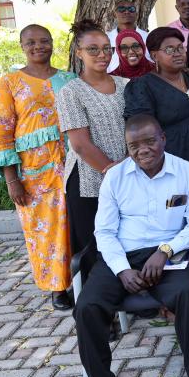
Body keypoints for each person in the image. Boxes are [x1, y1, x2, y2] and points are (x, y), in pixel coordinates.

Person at [74, 114, 189, 377]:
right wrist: (122, 269)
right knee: (87, 307)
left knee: (185, 295)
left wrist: (165, 250)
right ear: (127, 147)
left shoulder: (187, 171)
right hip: (121, 255)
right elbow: (104, 232)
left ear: (163, 138)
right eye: (134, 145)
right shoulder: (115, 177)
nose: (143, 150)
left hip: (166, 255)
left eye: (150, 141)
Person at [0, 24, 76, 310]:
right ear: (22, 46)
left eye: (44, 41)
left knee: (76, 224)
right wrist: (12, 179)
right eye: (31, 42)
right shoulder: (9, 83)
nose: (38, 46)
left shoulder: (69, 78)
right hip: (34, 172)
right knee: (45, 230)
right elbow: (2, 133)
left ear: (53, 44)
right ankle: (56, 286)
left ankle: (79, 280)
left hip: (72, 163)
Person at [58, 20, 129, 278]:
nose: (102, 54)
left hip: (125, 174)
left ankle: (128, 294)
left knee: (124, 237)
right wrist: (113, 172)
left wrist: (127, 170)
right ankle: (97, 308)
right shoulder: (71, 92)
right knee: (93, 243)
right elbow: (80, 144)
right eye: (93, 49)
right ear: (78, 52)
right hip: (89, 179)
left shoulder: (125, 85)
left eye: (107, 48)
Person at [123, 28, 189, 228]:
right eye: (169, 49)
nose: (177, 53)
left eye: (180, 48)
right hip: (173, 163)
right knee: (178, 213)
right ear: (154, 55)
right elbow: (141, 129)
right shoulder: (143, 85)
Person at [106, 0, 150, 73]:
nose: (126, 12)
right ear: (114, 14)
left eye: (131, 9)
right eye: (121, 9)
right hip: (114, 80)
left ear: (136, 14)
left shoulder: (148, 37)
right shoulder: (107, 39)